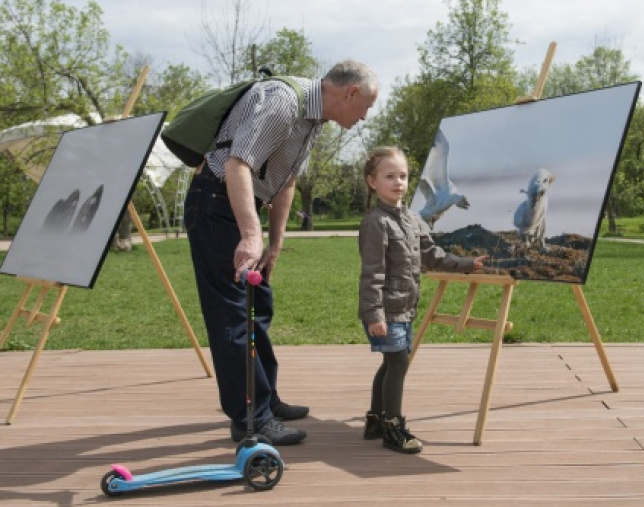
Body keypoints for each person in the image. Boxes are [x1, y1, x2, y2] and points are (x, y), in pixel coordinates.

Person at [185, 60, 379, 445]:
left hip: (239, 208)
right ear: (351, 92)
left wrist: (275, 244)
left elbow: (285, 181)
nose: (365, 117)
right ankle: (250, 420)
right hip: (216, 203)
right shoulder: (282, 101)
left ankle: (265, 401)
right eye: (366, 107)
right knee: (234, 314)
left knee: (259, 306)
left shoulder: (311, 120)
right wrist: (250, 235)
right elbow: (239, 165)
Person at [358, 146, 487, 454]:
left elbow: (432, 256)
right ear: (373, 182)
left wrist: (467, 264)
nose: (398, 182)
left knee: (391, 363)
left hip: (404, 308)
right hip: (386, 310)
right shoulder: (376, 222)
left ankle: (375, 419)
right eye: (390, 176)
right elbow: (372, 273)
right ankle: (393, 427)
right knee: (398, 362)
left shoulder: (414, 219)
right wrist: (374, 314)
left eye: (402, 176)